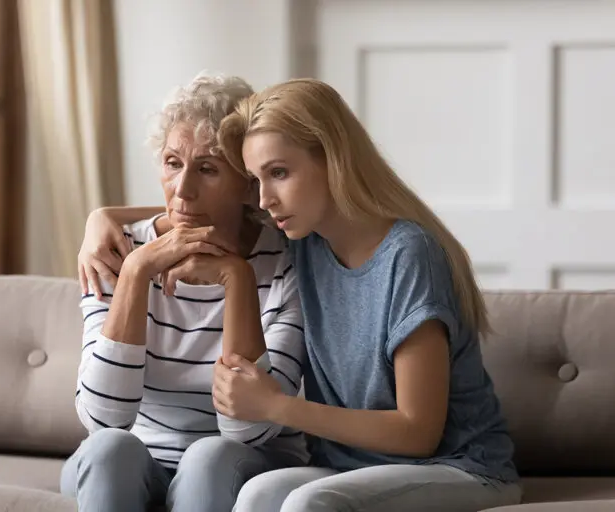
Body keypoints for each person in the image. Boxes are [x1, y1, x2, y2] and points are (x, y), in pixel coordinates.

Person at [79, 78, 523, 512]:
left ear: (334, 162)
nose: (265, 199)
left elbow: (418, 433)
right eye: (256, 179)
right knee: (255, 496)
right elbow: (204, 207)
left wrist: (275, 405)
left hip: (456, 466)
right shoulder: (306, 242)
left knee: (309, 502)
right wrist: (103, 218)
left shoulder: (407, 254)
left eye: (279, 173)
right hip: (348, 466)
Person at [62, 74, 308, 512]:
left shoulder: (289, 265)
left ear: (249, 184)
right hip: (132, 461)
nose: (182, 189)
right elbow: (103, 419)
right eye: (173, 163)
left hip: (244, 462)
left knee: (210, 456)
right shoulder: (113, 250)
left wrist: (238, 279)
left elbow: (247, 430)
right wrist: (137, 271)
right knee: (109, 450)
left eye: (208, 169)